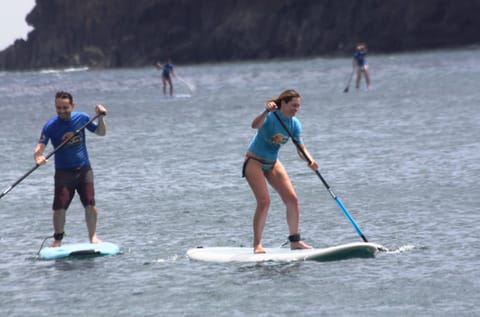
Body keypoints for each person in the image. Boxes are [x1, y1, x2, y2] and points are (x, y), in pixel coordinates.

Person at [242, 89, 319, 254]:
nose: (296, 109)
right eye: (293, 105)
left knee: (292, 199)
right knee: (264, 202)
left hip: (272, 163)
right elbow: (253, 125)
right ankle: (257, 244)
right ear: (283, 103)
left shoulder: (294, 124)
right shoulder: (270, 116)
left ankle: (295, 241)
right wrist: (265, 111)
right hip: (254, 162)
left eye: (298, 106)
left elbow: (301, 148)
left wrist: (310, 160)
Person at [34, 91, 107, 247]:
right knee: (59, 207)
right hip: (63, 172)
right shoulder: (50, 125)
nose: (61, 111)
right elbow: (40, 147)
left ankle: (93, 236)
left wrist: (100, 117)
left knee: (90, 204)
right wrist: (38, 157)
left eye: (65, 108)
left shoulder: (82, 118)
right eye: (58, 108)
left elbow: (101, 132)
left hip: (84, 169)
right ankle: (58, 239)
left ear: (72, 106)